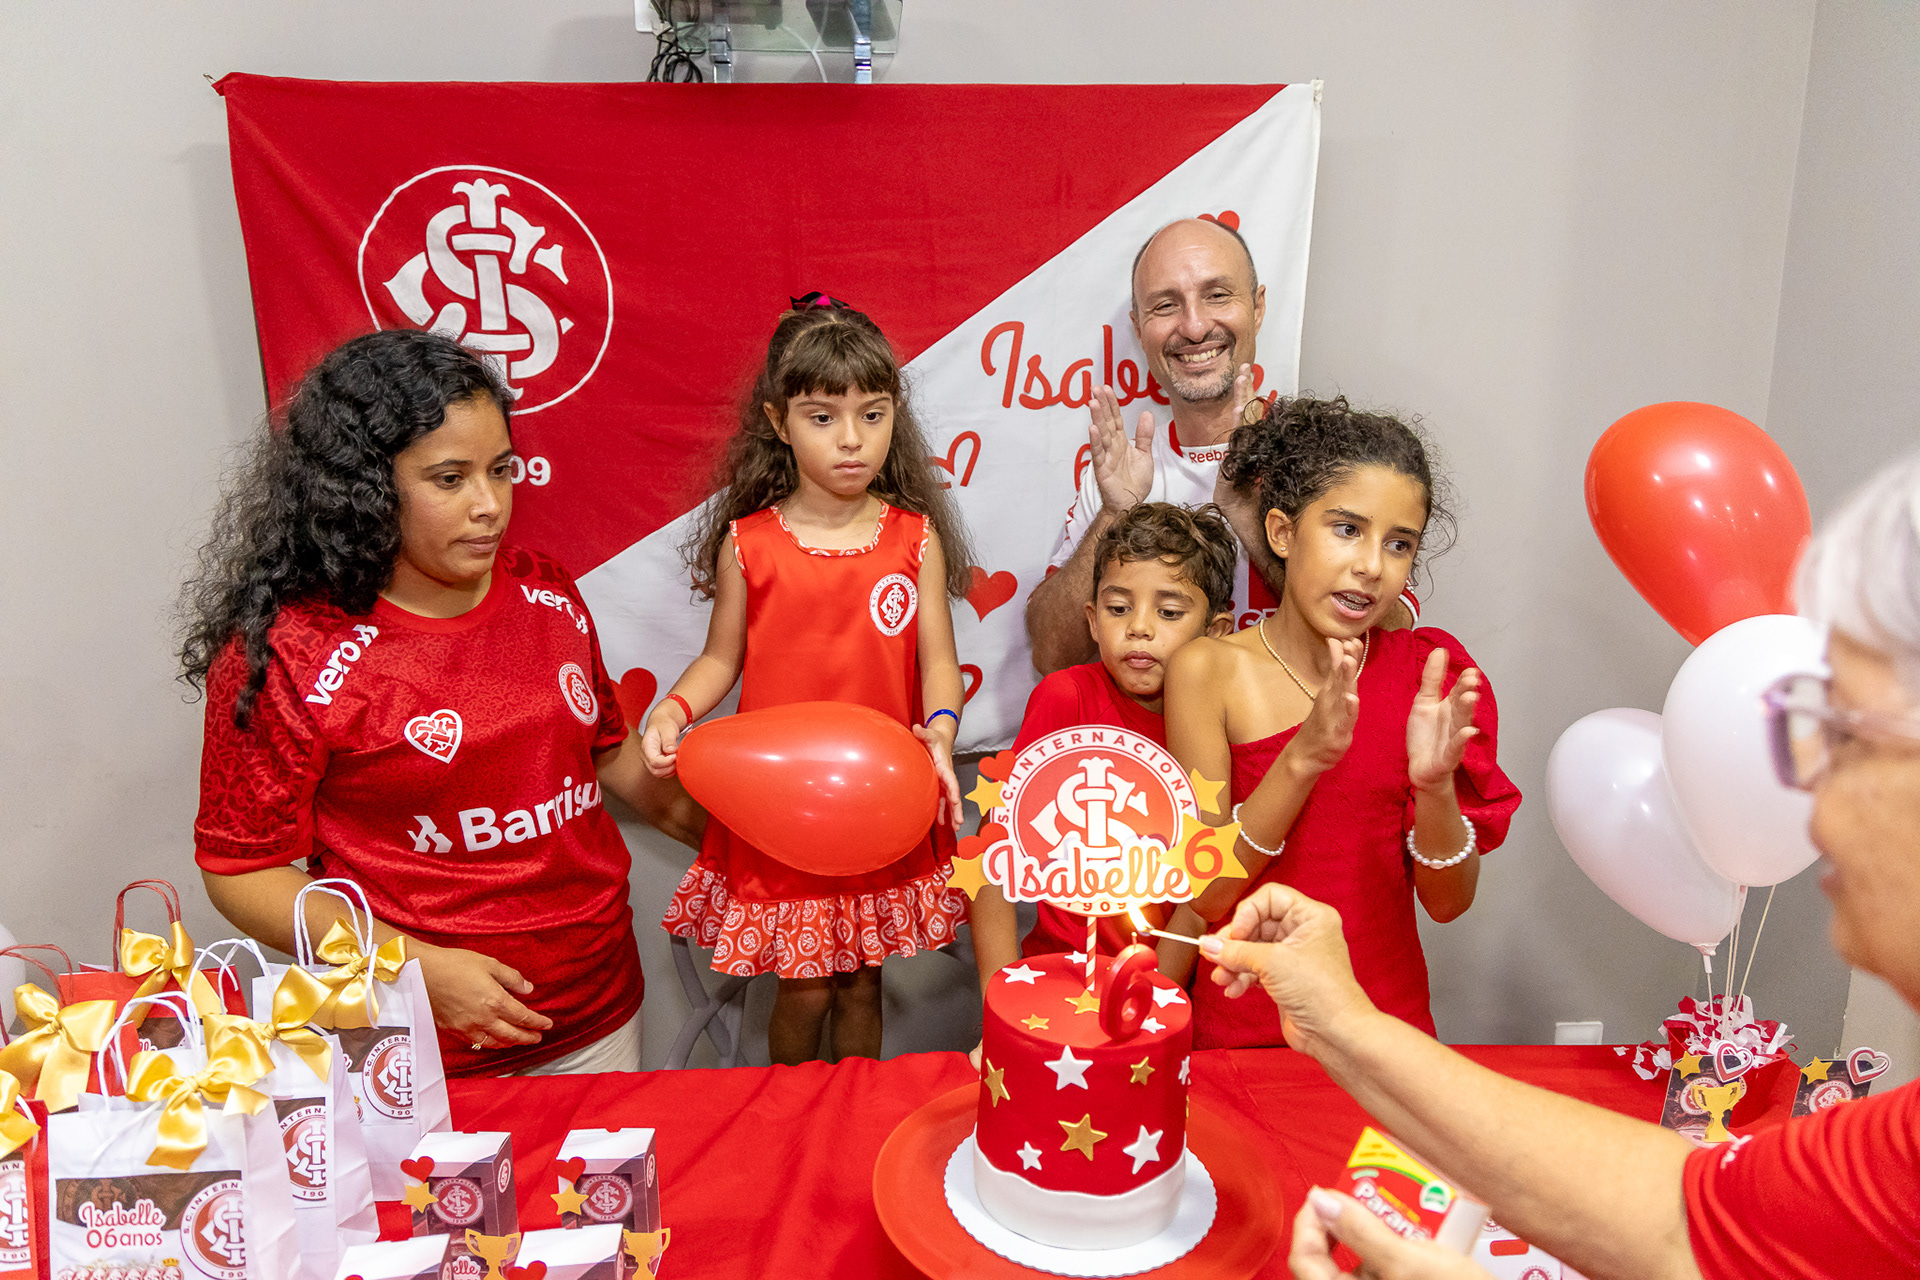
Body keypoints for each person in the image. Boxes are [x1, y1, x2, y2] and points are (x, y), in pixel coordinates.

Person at [1203, 451, 1920, 1280]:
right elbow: (1684, 1221)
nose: (1810, 798)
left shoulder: (1426, 672)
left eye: (1848, 736)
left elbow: (1680, 1227)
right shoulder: (1896, 1146)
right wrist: (1345, 1022)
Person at [184, 328, 701, 1078]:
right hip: (414, 1044)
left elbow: (611, 754)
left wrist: (758, 854)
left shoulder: (547, 589)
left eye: (501, 470)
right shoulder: (288, 650)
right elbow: (241, 870)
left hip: (596, 1012)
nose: (490, 506)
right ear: (364, 487)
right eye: (450, 479)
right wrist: (411, 967)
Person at [643, 293, 977, 1066]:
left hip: (880, 804)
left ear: (894, 417)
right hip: (782, 812)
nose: (851, 439)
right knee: (804, 989)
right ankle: (793, 1114)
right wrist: (673, 709)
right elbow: (720, 658)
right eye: (823, 417)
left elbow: (938, 661)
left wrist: (941, 730)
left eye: (872, 414)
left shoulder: (914, 539)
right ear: (778, 421)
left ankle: (859, 1113)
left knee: (860, 982)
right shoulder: (749, 544)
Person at [1160, 397, 1520, 1043]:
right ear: (1282, 533)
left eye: (1399, 543)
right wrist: (1302, 759)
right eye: (1347, 529)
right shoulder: (1206, 671)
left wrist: (1435, 788)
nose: (1372, 565)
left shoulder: (1426, 675)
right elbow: (1205, 894)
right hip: (1247, 1039)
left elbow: (1448, 904)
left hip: (1385, 1037)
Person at [1025, 217, 1415, 674]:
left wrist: (1249, 519)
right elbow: (1051, 656)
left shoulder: (1334, 459)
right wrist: (1114, 514)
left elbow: (1391, 640)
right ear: (1138, 328)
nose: (1193, 327)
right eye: (1165, 305)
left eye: (1217, 295)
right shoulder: (1122, 472)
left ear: (1258, 307)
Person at [967, 502, 1237, 996]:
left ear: (1216, 632)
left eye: (1169, 612)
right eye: (1118, 608)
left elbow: (1209, 885)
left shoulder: (1227, 724)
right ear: (1093, 621)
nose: (1139, 627)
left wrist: (1154, 998)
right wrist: (997, 993)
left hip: (1170, 993)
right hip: (1053, 983)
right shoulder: (1065, 697)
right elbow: (992, 854)